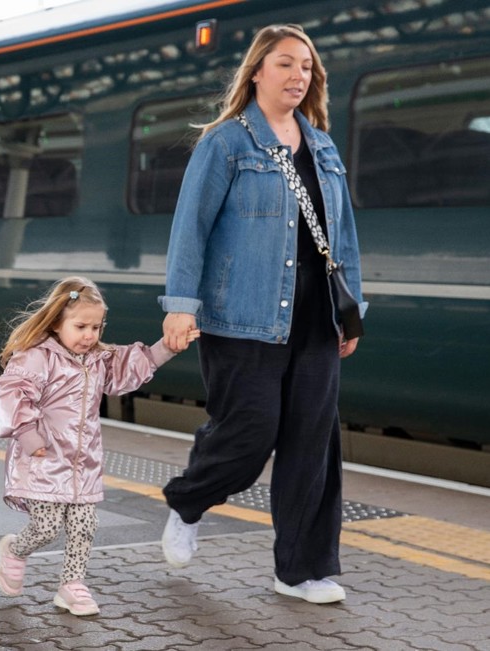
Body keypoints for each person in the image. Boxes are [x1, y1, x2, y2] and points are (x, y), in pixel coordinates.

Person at [158, 24, 366, 604]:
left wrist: (353, 311)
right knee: (249, 432)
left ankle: (300, 571)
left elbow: (342, 238)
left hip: (317, 317)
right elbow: (190, 230)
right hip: (242, 315)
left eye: (306, 67)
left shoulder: (321, 146)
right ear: (256, 72)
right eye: (285, 64)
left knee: (313, 443)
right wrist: (180, 306)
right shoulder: (226, 143)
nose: (298, 76)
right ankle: (189, 500)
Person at [0, 276, 198, 616]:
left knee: (85, 527)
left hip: (83, 462)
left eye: (97, 328)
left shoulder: (99, 359)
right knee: (45, 529)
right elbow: (10, 392)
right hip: (43, 459)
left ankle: (72, 586)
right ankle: (15, 550)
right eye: (81, 326)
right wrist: (27, 433)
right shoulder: (37, 357)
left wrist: (168, 347)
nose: (90, 336)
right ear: (57, 322)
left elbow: (131, 367)